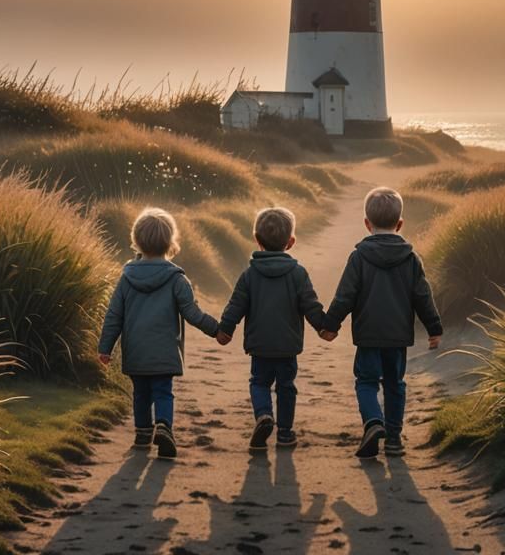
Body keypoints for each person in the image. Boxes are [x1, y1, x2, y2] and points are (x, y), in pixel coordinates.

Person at [319, 187, 443, 459]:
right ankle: (395, 439)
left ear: (367, 224)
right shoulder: (411, 259)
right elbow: (423, 296)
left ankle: (373, 422)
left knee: (366, 382)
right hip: (397, 337)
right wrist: (434, 328)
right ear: (400, 224)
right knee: (395, 384)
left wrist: (331, 324)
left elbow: (345, 295)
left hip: (368, 335)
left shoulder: (359, 257)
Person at [98, 207, 219, 460]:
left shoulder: (126, 278)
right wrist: (217, 330)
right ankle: (164, 425)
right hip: (165, 351)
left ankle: (143, 434)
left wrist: (105, 347)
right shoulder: (177, 279)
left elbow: (114, 316)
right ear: (170, 242)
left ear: (136, 240)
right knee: (163, 391)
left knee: (141, 393)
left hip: (136, 351)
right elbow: (192, 313)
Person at [215, 207, 325, 450]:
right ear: (291, 242)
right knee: (286, 387)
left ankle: (264, 415)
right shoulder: (298, 274)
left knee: (259, 382)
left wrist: (225, 329)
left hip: (260, 344)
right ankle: (285, 432)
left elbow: (236, 305)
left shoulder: (249, 275)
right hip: (287, 346)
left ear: (257, 240)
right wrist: (323, 327)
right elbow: (311, 305)